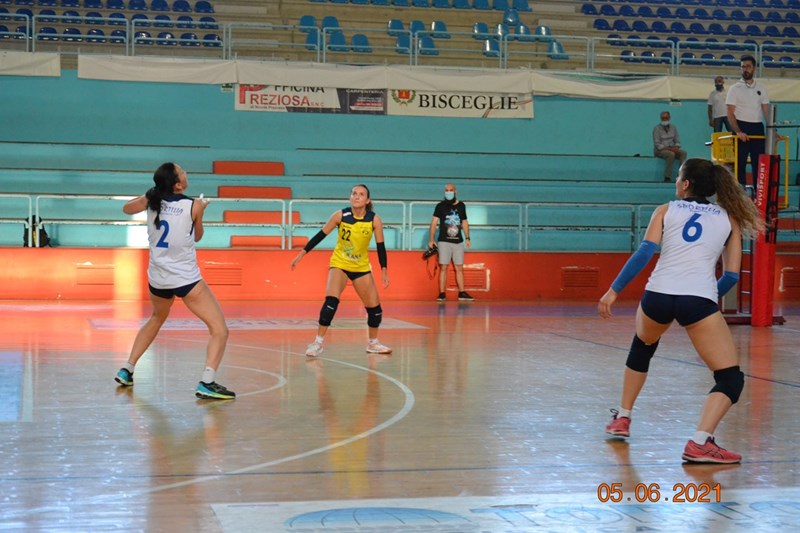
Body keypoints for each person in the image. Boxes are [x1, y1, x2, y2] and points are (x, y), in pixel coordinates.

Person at [598, 158, 764, 464]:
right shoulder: (730, 218)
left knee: (643, 346)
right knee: (730, 378)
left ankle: (622, 417)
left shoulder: (666, 209)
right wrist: (702, 305)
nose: (676, 181)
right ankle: (700, 443)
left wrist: (614, 290)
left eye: (678, 177)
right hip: (697, 299)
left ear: (686, 184)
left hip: (657, 295)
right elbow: (731, 276)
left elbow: (644, 252)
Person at [114, 162, 235, 400]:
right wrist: (201, 212)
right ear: (178, 185)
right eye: (182, 172)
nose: (186, 172)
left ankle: (127, 368)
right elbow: (198, 236)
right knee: (219, 330)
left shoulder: (152, 200)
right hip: (185, 278)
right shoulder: (194, 204)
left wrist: (148, 195)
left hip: (158, 278)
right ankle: (207, 382)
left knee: (156, 318)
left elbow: (126, 209)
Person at [291, 184, 391, 357]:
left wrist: (384, 270)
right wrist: (302, 254)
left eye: (361, 194)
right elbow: (320, 235)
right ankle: (317, 343)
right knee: (331, 302)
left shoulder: (374, 220)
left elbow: (381, 247)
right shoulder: (340, 216)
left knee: (375, 310)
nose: (356, 196)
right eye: (354, 193)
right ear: (350, 197)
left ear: (367, 200)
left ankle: (373, 343)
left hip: (361, 267)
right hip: (340, 264)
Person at [726, 54, 770, 192]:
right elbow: (730, 112)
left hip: (757, 128)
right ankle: (741, 194)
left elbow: (766, 112)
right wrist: (738, 131)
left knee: (759, 164)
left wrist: (773, 131)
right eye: (743, 67)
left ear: (754, 68)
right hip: (741, 127)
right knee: (740, 164)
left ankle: (759, 194)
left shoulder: (762, 88)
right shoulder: (734, 88)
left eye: (748, 66)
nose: (745, 69)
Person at [428, 183, 474, 302]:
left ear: (455, 191)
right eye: (447, 190)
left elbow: (464, 222)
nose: (449, 192)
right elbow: (434, 223)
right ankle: (442, 293)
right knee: (443, 267)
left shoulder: (461, 205)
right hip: (444, 241)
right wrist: (431, 239)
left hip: (458, 241)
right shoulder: (440, 206)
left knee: (459, 267)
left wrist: (467, 237)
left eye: (451, 190)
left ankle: (462, 293)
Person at [653, 111, 688, 183]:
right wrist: (671, 149)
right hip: (660, 151)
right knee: (671, 155)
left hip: (672, 148)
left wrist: (676, 147)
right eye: (662, 118)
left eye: (666, 118)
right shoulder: (656, 129)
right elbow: (658, 144)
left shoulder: (673, 128)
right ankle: (667, 177)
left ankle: (681, 176)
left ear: (669, 118)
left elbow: (677, 140)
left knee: (683, 153)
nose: (664, 119)